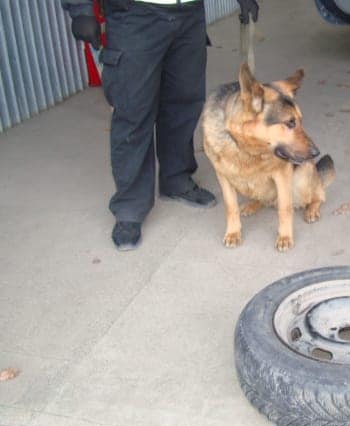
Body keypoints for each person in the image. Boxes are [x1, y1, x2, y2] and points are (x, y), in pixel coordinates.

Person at [62, 0, 259, 250]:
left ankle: (176, 179)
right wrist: (80, 10)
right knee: (133, 111)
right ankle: (130, 207)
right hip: (135, 15)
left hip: (189, 13)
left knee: (184, 101)